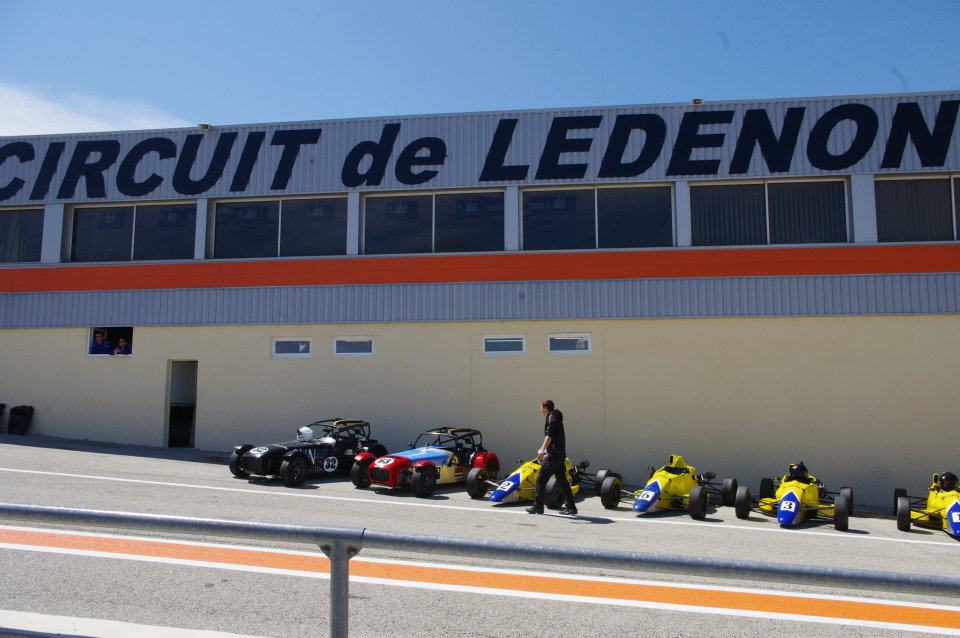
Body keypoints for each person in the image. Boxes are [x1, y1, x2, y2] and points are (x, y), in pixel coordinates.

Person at [527, 400, 577, 516]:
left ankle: (538, 507)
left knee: (541, 479)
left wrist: (542, 449)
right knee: (562, 481)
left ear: (546, 408)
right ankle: (571, 507)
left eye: (541, 408)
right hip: (560, 455)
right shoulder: (556, 417)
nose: (540, 410)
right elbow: (554, 437)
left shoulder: (551, 417)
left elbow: (549, 435)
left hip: (554, 455)